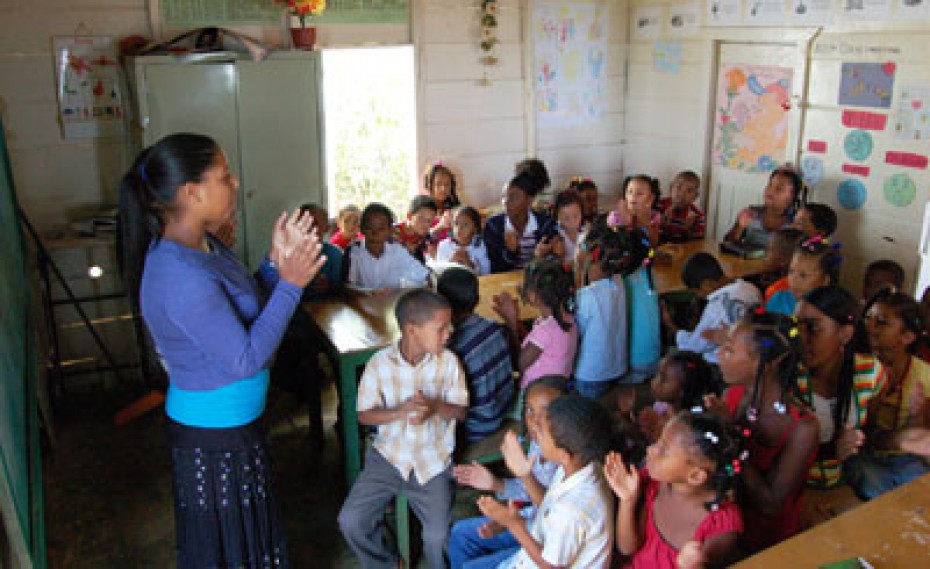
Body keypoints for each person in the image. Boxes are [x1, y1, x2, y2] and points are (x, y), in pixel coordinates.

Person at [119, 133, 326, 568]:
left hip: (234, 429)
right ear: (191, 193)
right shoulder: (177, 273)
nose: (234, 183)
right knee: (231, 552)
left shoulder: (204, 245)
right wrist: (291, 283)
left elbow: (244, 303)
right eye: (224, 176)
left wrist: (275, 263)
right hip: (213, 439)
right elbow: (247, 357)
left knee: (249, 544)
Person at [337, 289, 468, 569]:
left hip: (432, 462)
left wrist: (434, 407)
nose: (449, 333)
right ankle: (386, 563)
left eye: (450, 326)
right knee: (351, 521)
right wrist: (399, 412)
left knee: (437, 538)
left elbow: (461, 411)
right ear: (412, 330)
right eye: (441, 328)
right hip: (389, 458)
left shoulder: (448, 363)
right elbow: (364, 415)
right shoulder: (379, 364)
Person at [710, 308, 818, 553]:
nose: (719, 355)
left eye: (729, 349)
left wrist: (729, 433)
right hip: (726, 522)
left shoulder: (802, 427)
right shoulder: (733, 395)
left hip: (767, 539)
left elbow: (770, 504)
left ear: (766, 364)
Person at [477, 394, 614, 569]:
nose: (535, 427)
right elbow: (549, 505)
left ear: (564, 454)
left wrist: (512, 523)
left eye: (542, 431)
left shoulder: (570, 511)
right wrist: (525, 475)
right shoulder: (583, 466)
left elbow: (551, 566)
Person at [448, 377, 566, 568]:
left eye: (547, 412)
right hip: (532, 521)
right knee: (460, 533)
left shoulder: (568, 459)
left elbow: (553, 511)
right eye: (530, 410)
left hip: (548, 541)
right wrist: (495, 484)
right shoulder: (537, 442)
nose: (535, 420)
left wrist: (511, 522)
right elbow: (530, 492)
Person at [606, 412, 744, 568]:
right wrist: (627, 500)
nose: (651, 449)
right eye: (658, 441)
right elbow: (627, 548)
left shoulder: (721, 527)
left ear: (696, 476)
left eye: (664, 450)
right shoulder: (657, 484)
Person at [795, 285, 887, 489]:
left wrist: (857, 442)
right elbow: (776, 453)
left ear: (845, 334)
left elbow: (870, 431)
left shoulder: (869, 371)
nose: (802, 338)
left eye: (813, 328)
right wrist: (832, 450)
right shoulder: (789, 376)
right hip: (796, 488)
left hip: (844, 483)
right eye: (798, 327)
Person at [846, 290, 930, 499]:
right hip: (863, 454)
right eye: (867, 318)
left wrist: (915, 423)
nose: (869, 327)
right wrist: (902, 438)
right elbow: (863, 435)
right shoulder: (857, 367)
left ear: (907, 337)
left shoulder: (923, 375)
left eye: (881, 323)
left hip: (903, 458)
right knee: (876, 489)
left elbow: (920, 435)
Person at [571, 221, 648, 399]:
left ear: (592, 260)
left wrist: (578, 273)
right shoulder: (618, 281)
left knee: (588, 411)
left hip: (590, 374)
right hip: (616, 366)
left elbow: (574, 332)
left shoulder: (587, 297)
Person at [437, 267, 514, 443]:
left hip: (476, 427)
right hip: (501, 411)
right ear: (477, 301)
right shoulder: (494, 328)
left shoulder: (453, 347)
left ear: (441, 302)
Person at [662, 252, 760, 365]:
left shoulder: (716, 308)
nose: (698, 295)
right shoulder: (751, 288)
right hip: (753, 354)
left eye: (696, 291)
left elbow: (693, 348)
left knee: (673, 357)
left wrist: (670, 325)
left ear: (707, 284)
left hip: (722, 364)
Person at [493, 259, 577, 389]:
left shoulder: (545, 330)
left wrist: (511, 324)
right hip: (559, 386)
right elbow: (536, 342)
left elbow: (519, 365)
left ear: (532, 296)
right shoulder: (566, 316)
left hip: (536, 392)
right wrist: (516, 320)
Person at [618, 351, 719, 447]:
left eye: (664, 379)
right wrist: (629, 417)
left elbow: (651, 446)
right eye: (657, 374)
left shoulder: (684, 427)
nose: (655, 381)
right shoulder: (661, 406)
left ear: (682, 392)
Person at [343, 202, 429, 290]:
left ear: (390, 230)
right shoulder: (354, 251)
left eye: (381, 228)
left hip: (391, 301)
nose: (375, 232)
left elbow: (423, 274)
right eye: (369, 227)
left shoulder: (397, 250)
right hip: (362, 301)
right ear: (361, 228)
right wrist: (368, 292)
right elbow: (348, 286)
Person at [484, 170, 557, 273]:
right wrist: (511, 252)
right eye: (504, 196)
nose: (506, 202)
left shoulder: (544, 224)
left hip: (536, 279)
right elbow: (495, 268)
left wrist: (541, 257)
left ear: (529, 200)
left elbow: (551, 265)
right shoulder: (493, 225)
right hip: (505, 281)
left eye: (513, 197)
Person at [724, 166, 806, 249]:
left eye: (779, 188)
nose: (770, 190)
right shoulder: (752, 213)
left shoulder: (796, 222)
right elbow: (727, 243)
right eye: (770, 185)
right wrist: (739, 226)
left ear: (791, 197)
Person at [765, 236, 840, 316]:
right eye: (791, 271)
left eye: (803, 275)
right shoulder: (778, 299)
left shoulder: (831, 310)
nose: (794, 279)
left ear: (825, 280)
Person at [745, 227, 805, 301]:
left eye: (769, 250)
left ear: (784, 260)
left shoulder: (777, 292)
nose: (765, 253)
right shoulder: (773, 276)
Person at [298, 203, 343, 299]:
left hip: (327, 309)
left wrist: (329, 286)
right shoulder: (288, 255)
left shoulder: (335, 255)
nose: (308, 228)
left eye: (314, 224)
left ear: (326, 228)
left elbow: (344, 289)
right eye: (304, 223)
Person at [433, 206, 491, 275]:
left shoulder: (479, 244)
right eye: (456, 224)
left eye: (465, 224)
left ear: (475, 228)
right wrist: (452, 263)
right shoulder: (444, 246)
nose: (459, 229)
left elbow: (486, 273)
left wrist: (469, 263)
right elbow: (439, 275)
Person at [535, 189, 586, 264]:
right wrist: (540, 253)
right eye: (566, 218)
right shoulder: (555, 235)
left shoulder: (585, 232)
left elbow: (586, 250)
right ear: (557, 218)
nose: (572, 222)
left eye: (576, 216)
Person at [608, 175, 662, 245]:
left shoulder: (654, 216)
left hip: (645, 253)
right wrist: (626, 221)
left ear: (650, 199)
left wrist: (644, 220)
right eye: (629, 191)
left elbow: (654, 243)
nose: (633, 196)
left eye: (639, 193)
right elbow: (611, 242)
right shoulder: (615, 216)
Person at [657, 170, 707, 243]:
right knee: (648, 252)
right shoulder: (659, 206)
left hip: (683, 252)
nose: (681, 194)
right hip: (656, 250)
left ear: (695, 196)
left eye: (689, 191)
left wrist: (687, 230)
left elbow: (697, 245)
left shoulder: (698, 216)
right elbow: (648, 237)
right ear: (671, 188)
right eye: (678, 187)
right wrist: (661, 224)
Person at [393, 195, 439, 263]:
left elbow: (434, 257)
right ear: (409, 216)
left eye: (429, 221)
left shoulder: (424, 236)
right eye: (421, 219)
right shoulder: (391, 232)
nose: (426, 224)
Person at [424, 161, 462, 243]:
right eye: (438, 184)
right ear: (430, 185)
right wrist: (440, 226)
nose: (443, 189)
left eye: (447, 184)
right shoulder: (423, 210)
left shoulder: (455, 209)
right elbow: (420, 239)